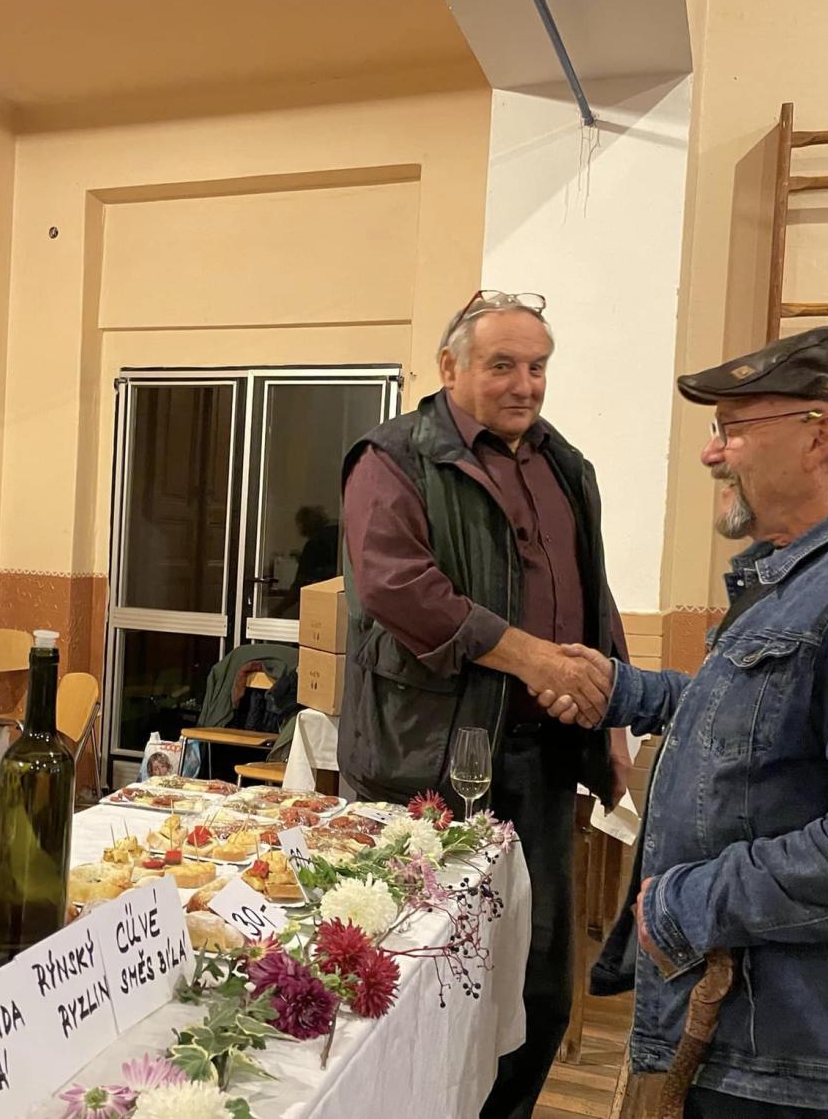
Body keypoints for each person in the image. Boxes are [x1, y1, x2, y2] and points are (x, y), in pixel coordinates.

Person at [546, 326, 828, 1117]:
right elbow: (769, 726)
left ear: (820, 435)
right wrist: (626, 690)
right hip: (753, 1034)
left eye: (732, 428)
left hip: (788, 1053)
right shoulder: (821, 571)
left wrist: (690, 902)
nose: (712, 452)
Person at [339, 290, 627, 1118]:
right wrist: (530, 654)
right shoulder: (393, 457)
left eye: (537, 366)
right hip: (426, 763)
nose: (525, 384)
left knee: (537, 986)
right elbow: (399, 587)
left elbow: (594, 596)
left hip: (542, 764)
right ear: (450, 367)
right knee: (419, 978)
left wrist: (612, 716)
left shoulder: (565, 464)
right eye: (503, 364)